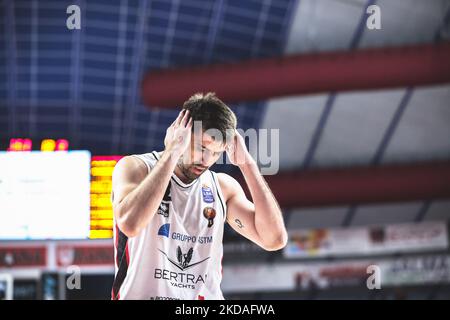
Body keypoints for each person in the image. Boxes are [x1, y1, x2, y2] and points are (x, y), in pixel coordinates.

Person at [111, 92, 287, 300]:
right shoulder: (136, 167)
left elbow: (274, 239)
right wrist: (171, 152)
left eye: (215, 152)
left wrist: (247, 165)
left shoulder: (222, 187)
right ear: (181, 132)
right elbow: (130, 224)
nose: (206, 159)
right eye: (201, 147)